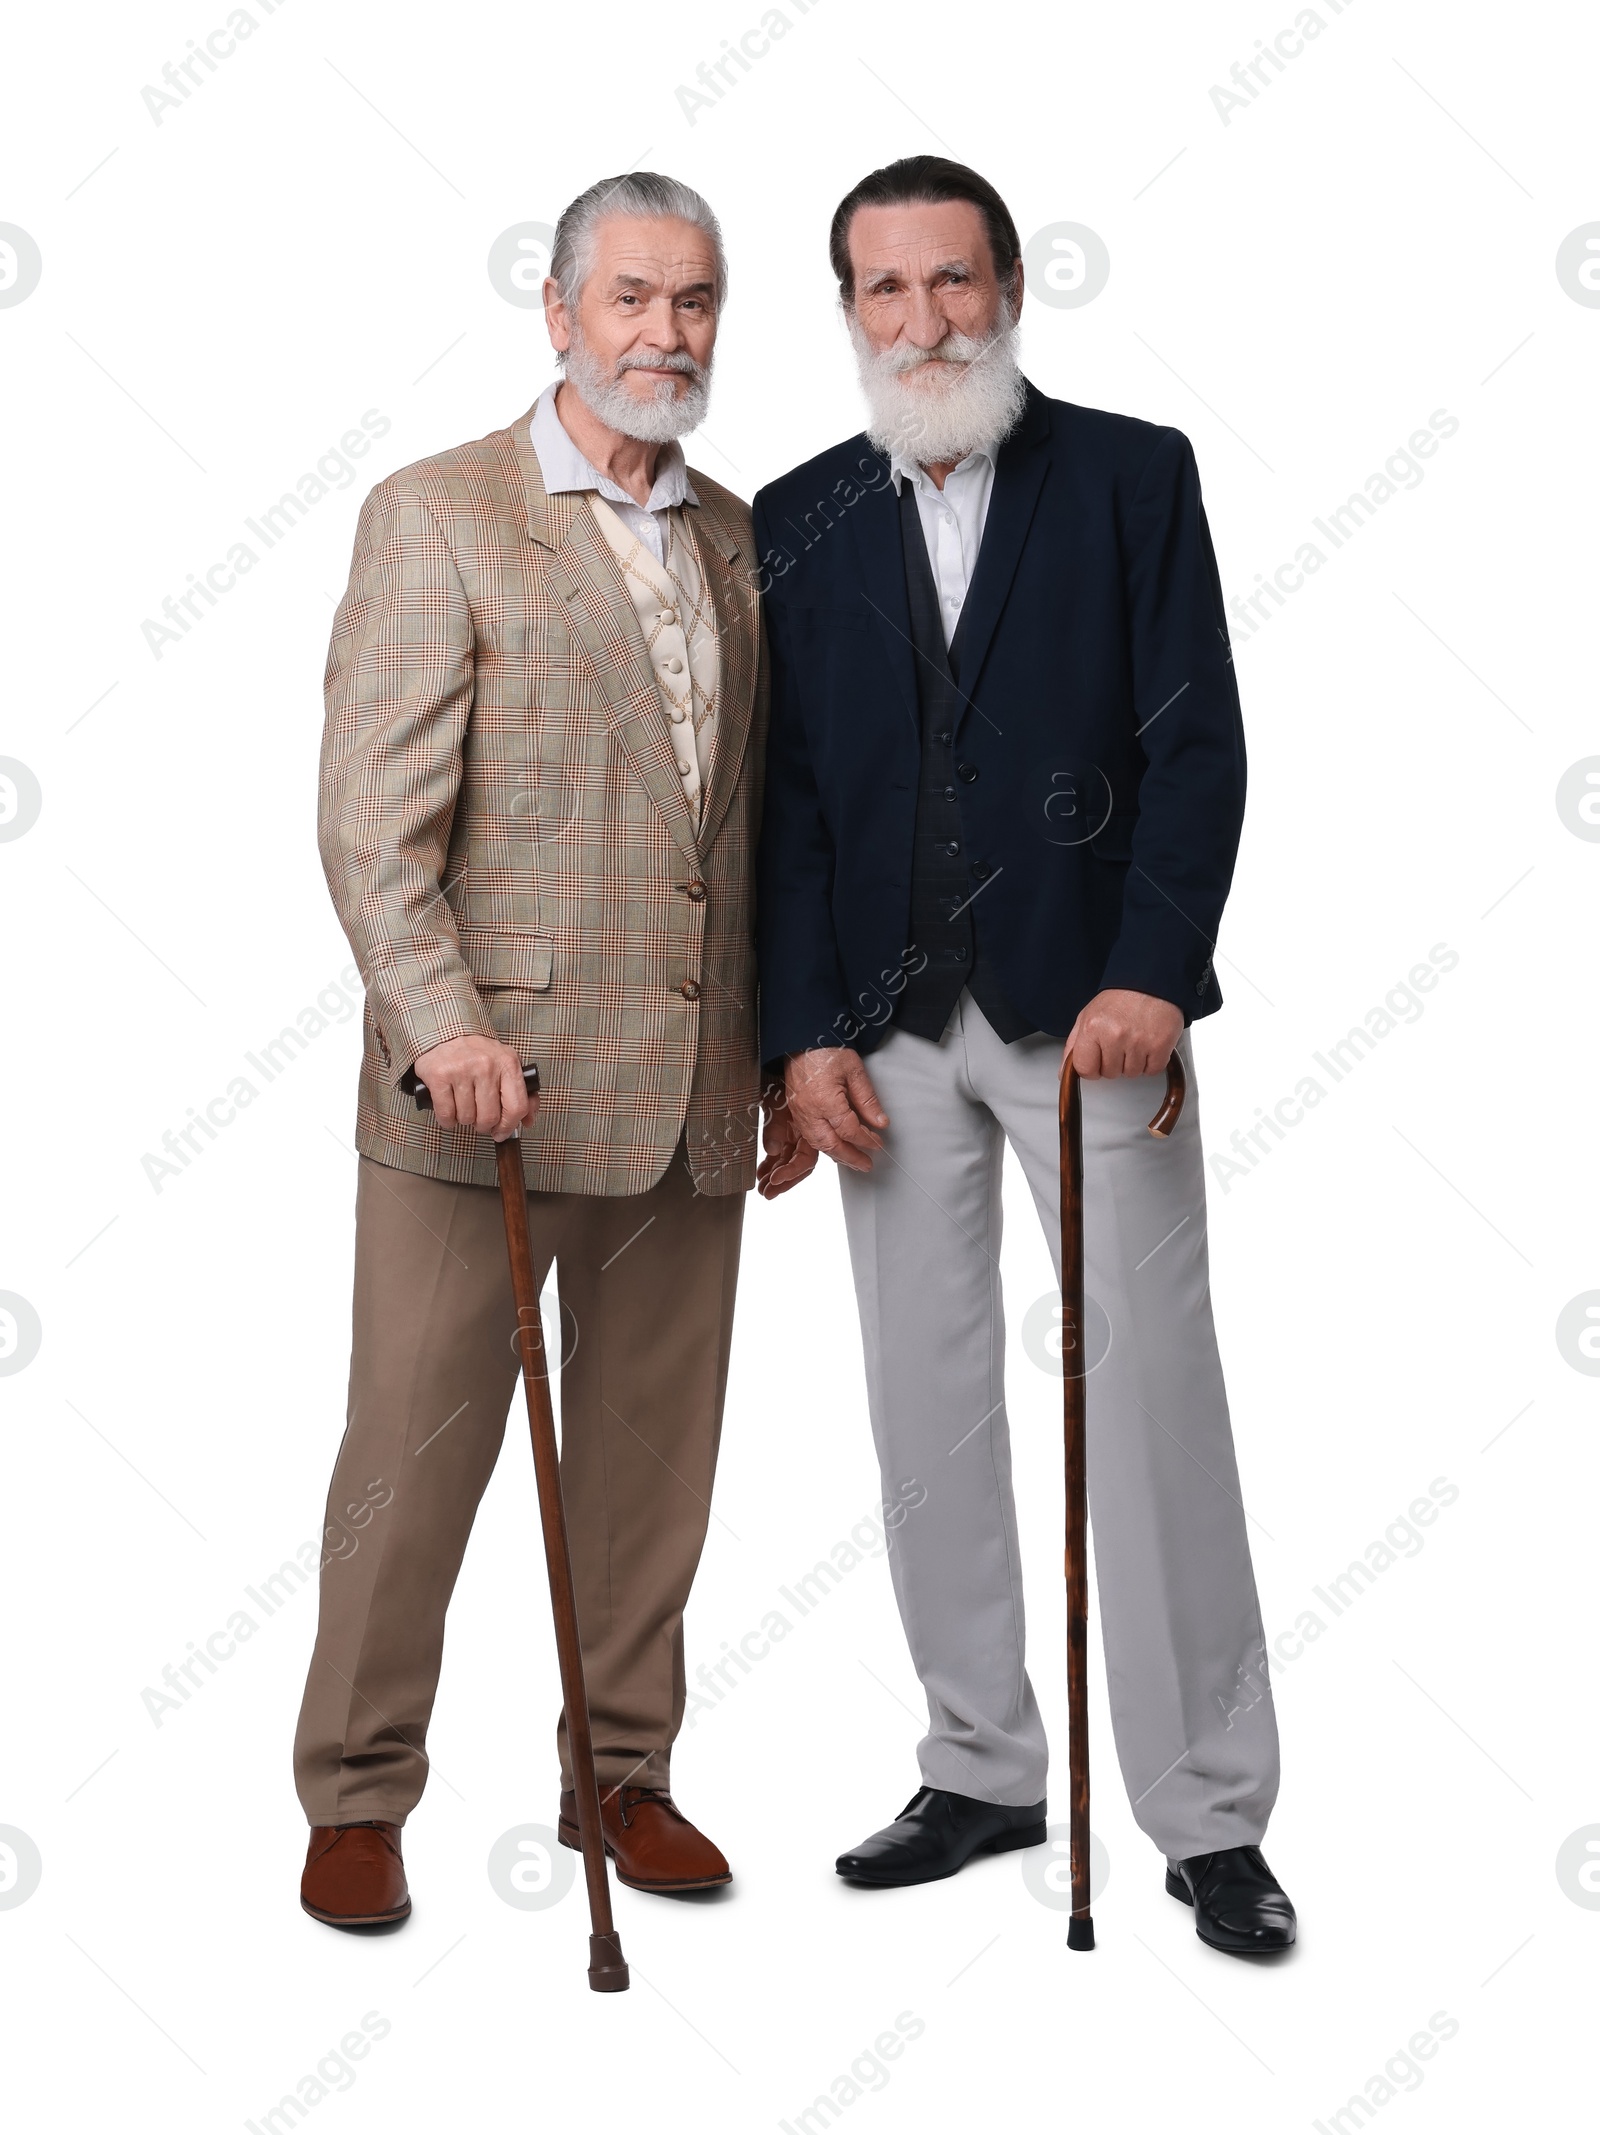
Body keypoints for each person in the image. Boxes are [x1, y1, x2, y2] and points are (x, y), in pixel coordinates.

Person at [752, 156, 1295, 1955]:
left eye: (955, 281)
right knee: (922, 1403)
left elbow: (1196, 742)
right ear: (848, 314)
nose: (927, 320)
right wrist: (801, 1035)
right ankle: (982, 1763)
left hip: (1091, 1020)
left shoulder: (1133, 475)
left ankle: (1209, 1813)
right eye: (886, 291)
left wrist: (1158, 970)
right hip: (890, 1038)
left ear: (1010, 287)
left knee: (1149, 1396)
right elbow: (794, 808)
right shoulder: (797, 513)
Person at [296, 171, 767, 1926]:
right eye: (634, 299)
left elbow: (750, 830)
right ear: (559, 312)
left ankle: (621, 1778)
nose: (668, 333)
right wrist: (443, 1027)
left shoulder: (733, 533)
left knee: (652, 1483)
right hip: (478, 1102)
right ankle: (356, 1793)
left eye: (697, 301)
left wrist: (777, 1060)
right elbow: (370, 821)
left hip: (688, 1106)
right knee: (409, 1469)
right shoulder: (440, 515)